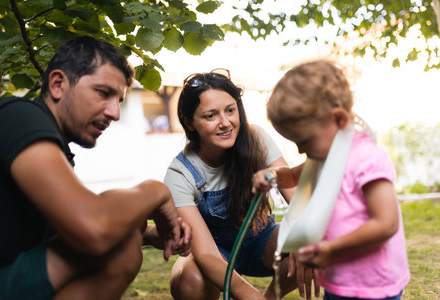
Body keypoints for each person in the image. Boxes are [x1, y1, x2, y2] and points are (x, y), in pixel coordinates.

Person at [0, 35, 191, 299]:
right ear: (58, 84)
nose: (115, 113)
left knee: (126, 234)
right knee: (120, 247)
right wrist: (156, 191)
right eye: (103, 93)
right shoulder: (20, 117)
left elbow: (63, 234)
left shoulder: (57, 148)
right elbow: (93, 229)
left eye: (119, 101)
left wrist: (150, 234)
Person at [252, 60, 410, 300]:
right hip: (339, 280)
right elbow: (293, 176)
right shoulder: (324, 158)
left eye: (304, 141)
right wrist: (272, 176)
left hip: (374, 283)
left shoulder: (366, 159)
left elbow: (386, 223)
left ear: (338, 120)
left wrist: (330, 248)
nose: (302, 150)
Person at [163, 68, 319, 300]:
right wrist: (247, 293)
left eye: (230, 110)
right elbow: (205, 253)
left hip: (263, 241)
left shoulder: (255, 138)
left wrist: (302, 238)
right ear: (189, 123)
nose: (225, 123)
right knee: (189, 281)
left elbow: (297, 197)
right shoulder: (180, 174)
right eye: (210, 116)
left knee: (317, 239)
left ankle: (271, 297)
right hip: (215, 252)